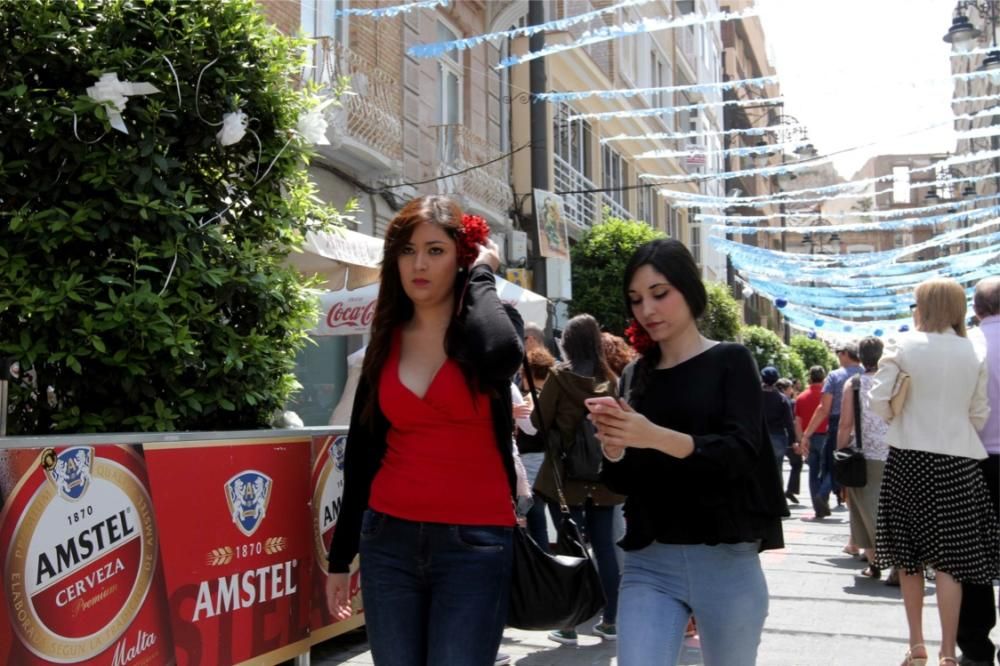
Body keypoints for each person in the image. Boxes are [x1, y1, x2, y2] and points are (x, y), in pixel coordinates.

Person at [325, 196, 524, 666]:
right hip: (387, 539)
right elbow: (363, 453)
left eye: (436, 250)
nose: (419, 264)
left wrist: (482, 274)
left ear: (461, 256)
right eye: (407, 250)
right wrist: (341, 558)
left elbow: (499, 354)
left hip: (475, 544)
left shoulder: (486, 328)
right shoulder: (386, 339)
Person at [590, 239, 785, 666]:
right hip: (649, 561)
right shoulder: (635, 375)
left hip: (726, 560)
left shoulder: (731, 360)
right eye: (637, 299)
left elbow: (740, 454)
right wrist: (616, 446)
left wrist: (654, 435)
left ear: (689, 290)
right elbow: (621, 482)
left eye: (660, 293)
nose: (648, 309)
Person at [869, 277, 996, 666]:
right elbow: (978, 413)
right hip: (959, 461)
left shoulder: (901, 344)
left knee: (909, 556)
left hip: (909, 457)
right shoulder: (973, 352)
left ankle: (917, 644)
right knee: (952, 562)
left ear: (921, 306)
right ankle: (947, 652)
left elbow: (878, 400)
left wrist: (903, 414)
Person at [532, 313, 624, 645]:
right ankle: (611, 621)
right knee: (605, 549)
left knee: (570, 548)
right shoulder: (610, 381)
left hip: (564, 480)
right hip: (603, 479)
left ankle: (569, 625)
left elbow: (538, 422)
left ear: (568, 342)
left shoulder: (559, 378)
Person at [957, 276, 1000, 666]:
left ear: (976, 309)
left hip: (974, 459)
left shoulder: (966, 346)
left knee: (974, 557)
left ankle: (976, 648)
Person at [835, 336, 890, 579]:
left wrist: (840, 453)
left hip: (864, 455)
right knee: (893, 510)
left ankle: (875, 562)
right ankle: (900, 563)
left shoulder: (854, 384)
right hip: (895, 452)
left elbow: (845, 425)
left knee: (863, 510)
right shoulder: (895, 380)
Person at [800, 343, 863, 517]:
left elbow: (823, 408)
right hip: (862, 425)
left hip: (837, 423)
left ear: (845, 354)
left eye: (838, 353)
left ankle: (823, 493)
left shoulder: (835, 376)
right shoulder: (867, 374)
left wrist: (807, 434)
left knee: (833, 463)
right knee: (849, 464)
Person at [516, 346, 557, 551]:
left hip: (531, 465)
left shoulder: (531, 398)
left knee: (534, 520)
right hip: (550, 463)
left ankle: (540, 568)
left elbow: (530, 429)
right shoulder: (554, 398)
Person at [795, 365, 829, 516]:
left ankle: (818, 508)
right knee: (829, 469)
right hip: (826, 437)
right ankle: (823, 495)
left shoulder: (801, 397)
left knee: (813, 473)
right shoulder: (827, 395)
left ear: (809, 376)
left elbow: (797, 421)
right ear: (824, 377)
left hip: (809, 438)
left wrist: (801, 440)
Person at [761, 367, 795, 476]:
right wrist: (792, 440)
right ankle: (777, 492)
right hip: (778, 437)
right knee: (777, 470)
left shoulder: (754, 396)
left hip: (759, 436)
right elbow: (789, 422)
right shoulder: (782, 399)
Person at [776, 378, 803, 503]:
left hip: (776, 438)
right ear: (785, 389)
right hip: (786, 439)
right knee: (797, 463)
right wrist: (795, 440)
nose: (792, 390)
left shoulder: (770, 398)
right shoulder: (789, 402)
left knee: (778, 466)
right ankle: (789, 491)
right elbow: (791, 422)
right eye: (790, 387)